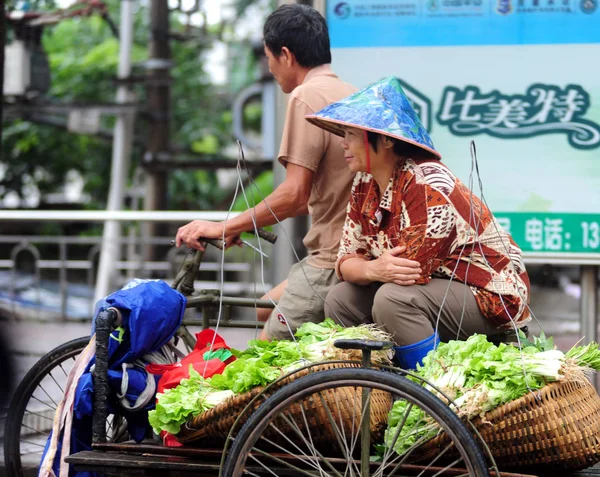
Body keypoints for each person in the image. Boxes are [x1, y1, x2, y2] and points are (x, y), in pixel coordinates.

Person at [306, 76, 531, 369]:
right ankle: (372, 395)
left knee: (393, 300)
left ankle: (432, 392)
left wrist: (369, 268)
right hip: (428, 287)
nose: (342, 144)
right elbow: (346, 261)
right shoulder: (363, 182)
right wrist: (372, 268)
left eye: (350, 134)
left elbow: (407, 272)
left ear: (385, 140)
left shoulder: (428, 183)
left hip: (488, 295)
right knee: (340, 299)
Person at [175, 4, 357, 340]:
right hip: (351, 251)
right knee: (264, 306)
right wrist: (245, 224)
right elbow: (313, 196)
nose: (269, 67)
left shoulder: (305, 96)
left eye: (269, 56)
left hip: (332, 258)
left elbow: (294, 193)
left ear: (285, 55)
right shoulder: (348, 93)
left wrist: (225, 225)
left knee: (265, 356)